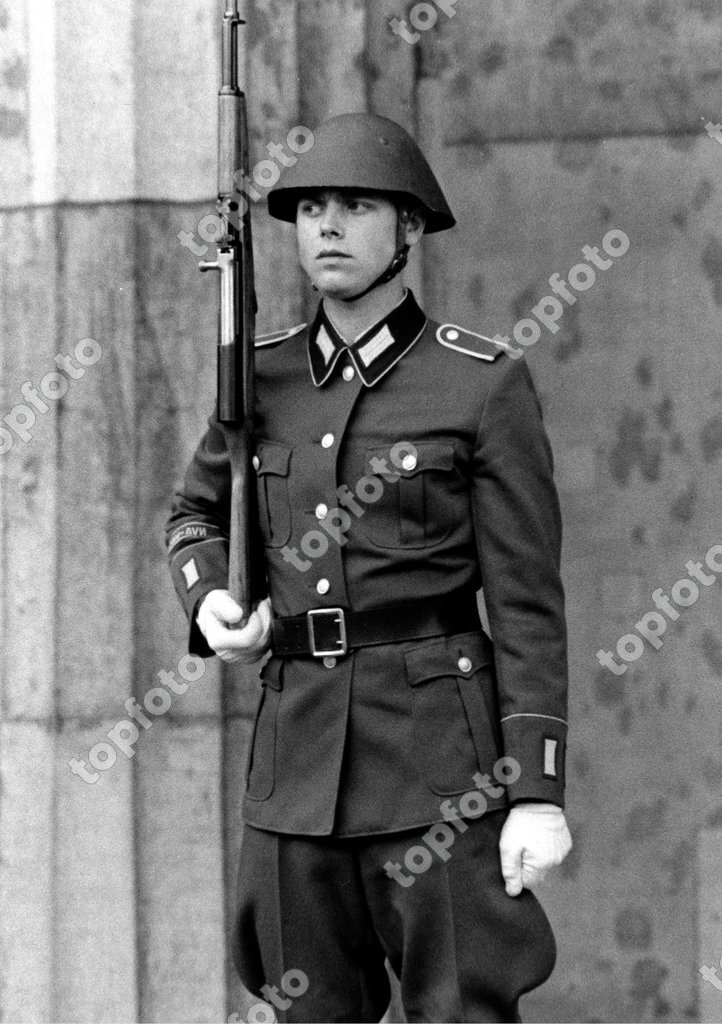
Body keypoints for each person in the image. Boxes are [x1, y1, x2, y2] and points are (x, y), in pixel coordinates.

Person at [166, 112, 572, 1023]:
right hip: (294, 763)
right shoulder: (259, 379)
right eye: (311, 208)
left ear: (411, 230)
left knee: (463, 1007)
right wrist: (212, 601)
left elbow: (527, 606)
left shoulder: (479, 385)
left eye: (356, 205)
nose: (329, 227)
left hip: (436, 766)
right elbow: (194, 512)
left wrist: (536, 789)